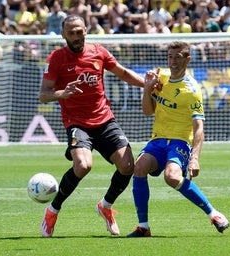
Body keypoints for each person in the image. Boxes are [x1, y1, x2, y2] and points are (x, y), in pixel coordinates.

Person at [39, 14, 144, 238]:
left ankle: (105, 206)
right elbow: (44, 94)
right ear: (63, 35)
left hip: (105, 120)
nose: (76, 36)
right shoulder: (57, 58)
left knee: (127, 165)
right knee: (83, 165)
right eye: (71, 33)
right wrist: (62, 93)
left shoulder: (99, 51)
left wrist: (147, 84)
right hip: (77, 123)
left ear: (86, 30)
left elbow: (123, 73)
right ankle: (52, 210)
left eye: (79, 31)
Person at [127, 41, 230, 237]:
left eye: (178, 57)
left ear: (187, 59)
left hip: (179, 141)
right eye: (170, 57)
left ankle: (213, 213)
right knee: (139, 167)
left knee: (172, 176)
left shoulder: (191, 90)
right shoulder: (161, 77)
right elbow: (148, 111)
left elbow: (199, 127)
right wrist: (147, 89)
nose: (173, 62)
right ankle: (143, 226)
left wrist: (195, 158)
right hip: (158, 139)